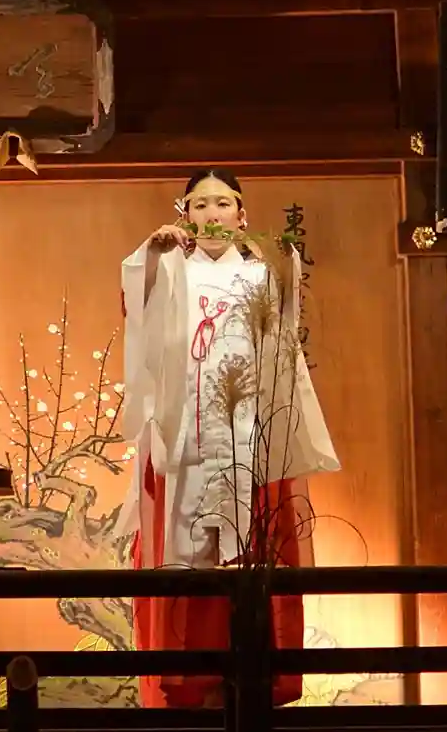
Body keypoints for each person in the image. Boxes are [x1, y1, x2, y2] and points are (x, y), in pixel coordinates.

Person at [117, 168, 341, 709]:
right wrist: (152, 255)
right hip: (186, 443)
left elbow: (282, 341)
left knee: (250, 554)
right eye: (200, 205)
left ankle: (251, 677)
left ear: (242, 214)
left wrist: (279, 260)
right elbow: (136, 310)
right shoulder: (170, 270)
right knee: (186, 555)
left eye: (222, 204)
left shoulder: (259, 274)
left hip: (247, 441)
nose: (212, 214)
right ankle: (186, 680)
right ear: (184, 215)